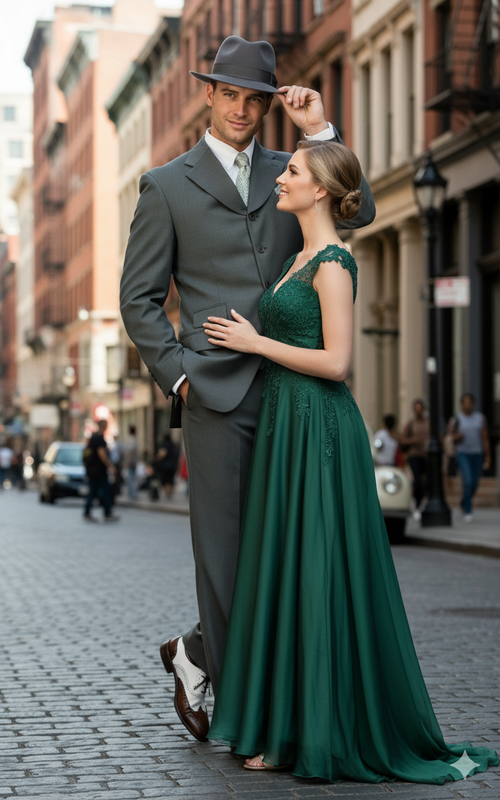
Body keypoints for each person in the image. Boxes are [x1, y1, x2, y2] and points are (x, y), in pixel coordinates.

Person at [205, 141, 498, 783]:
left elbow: (338, 363)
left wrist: (257, 342)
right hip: (289, 428)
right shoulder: (296, 257)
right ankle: (284, 726)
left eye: (292, 172)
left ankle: (312, 734)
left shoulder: (333, 264)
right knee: (287, 569)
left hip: (320, 431)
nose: (280, 177)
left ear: (320, 191)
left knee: (317, 571)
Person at [120, 35, 375, 740]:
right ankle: (243, 714)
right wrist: (178, 377)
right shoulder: (165, 185)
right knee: (228, 560)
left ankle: (197, 652)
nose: (239, 108)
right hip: (216, 394)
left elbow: (358, 213)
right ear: (208, 95)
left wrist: (321, 131)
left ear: (267, 104)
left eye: (252, 98)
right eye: (228, 93)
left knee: (289, 550)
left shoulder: (293, 170)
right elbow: (140, 299)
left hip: (297, 391)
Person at [447, 393, 491, 522]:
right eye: (464, 402)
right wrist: (456, 437)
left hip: (477, 453)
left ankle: (463, 502)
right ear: (461, 404)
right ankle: (468, 510)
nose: (467, 405)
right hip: (462, 453)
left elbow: (485, 437)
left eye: (469, 402)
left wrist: (488, 456)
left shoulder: (479, 418)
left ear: (473, 403)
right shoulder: (456, 419)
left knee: (474, 484)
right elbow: (449, 437)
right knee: (467, 481)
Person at [83, 419, 119, 522]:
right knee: (105, 491)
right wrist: (110, 466)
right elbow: (101, 453)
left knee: (92, 491)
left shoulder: (93, 437)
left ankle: (88, 512)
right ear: (104, 426)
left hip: (92, 470)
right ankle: (107, 512)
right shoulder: (99, 438)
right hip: (98, 470)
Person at [401, 399, 430, 521]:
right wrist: (412, 440)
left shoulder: (428, 423)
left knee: (426, 482)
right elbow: (402, 440)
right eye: (416, 408)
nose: (418, 410)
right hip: (414, 456)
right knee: (417, 480)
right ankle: (417, 505)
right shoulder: (410, 424)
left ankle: (422, 502)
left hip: (427, 456)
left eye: (420, 408)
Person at [122, 425, 138, 500]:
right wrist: (128, 462)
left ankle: (131, 493)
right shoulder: (132, 439)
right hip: (132, 462)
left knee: (130, 478)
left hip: (130, 461)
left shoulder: (128, 439)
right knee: (132, 478)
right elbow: (130, 452)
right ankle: (132, 493)